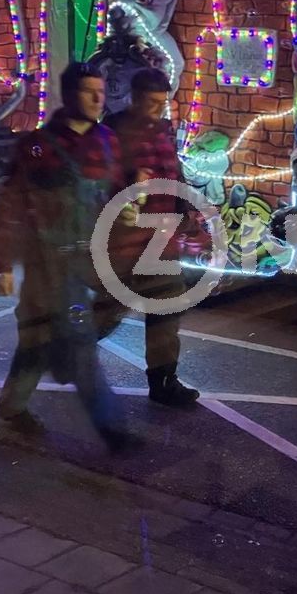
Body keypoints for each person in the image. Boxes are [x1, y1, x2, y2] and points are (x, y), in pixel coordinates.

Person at [0, 61, 136, 451]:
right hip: (49, 264)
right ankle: (112, 429)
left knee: (38, 340)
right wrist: (2, 265)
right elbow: (10, 205)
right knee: (79, 340)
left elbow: (116, 192)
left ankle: (13, 405)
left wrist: (126, 211)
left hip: (94, 260)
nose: (98, 99)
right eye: (89, 91)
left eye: (101, 91)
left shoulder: (108, 141)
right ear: (69, 94)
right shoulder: (37, 146)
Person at [101, 68, 200, 408]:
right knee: (106, 312)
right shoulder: (112, 131)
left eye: (163, 103)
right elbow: (98, 177)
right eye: (152, 103)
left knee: (166, 310)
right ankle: (62, 350)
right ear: (134, 98)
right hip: (124, 239)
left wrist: (185, 208)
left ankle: (164, 382)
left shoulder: (163, 130)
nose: (159, 110)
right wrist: (128, 179)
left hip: (161, 238)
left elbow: (174, 173)